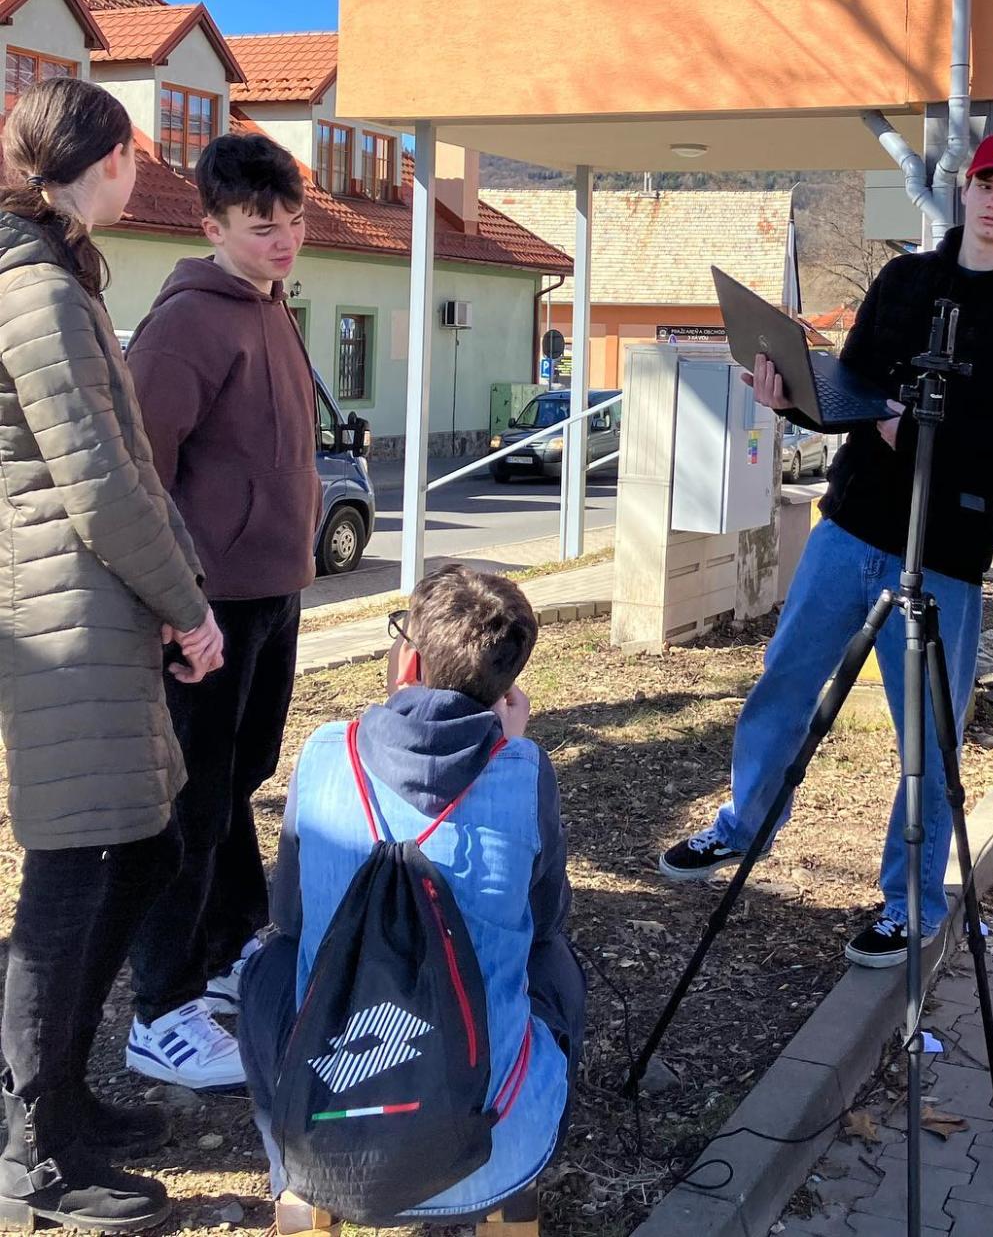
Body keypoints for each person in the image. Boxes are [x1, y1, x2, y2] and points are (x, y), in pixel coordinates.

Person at [661, 132, 993, 966]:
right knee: (784, 680)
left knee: (924, 735)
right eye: (985, 184)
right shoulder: (905, 280)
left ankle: (911, 899)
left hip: (950, 547)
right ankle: (743, 826)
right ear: (963, 191)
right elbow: (850, 388)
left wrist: (921, 431)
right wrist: (792, 400)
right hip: (851, 524)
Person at [0, 79, 223, 1233]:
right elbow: (95, 482)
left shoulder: (59, 271)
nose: (147, 171)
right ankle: (33, 1151)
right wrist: (189, 606)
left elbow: (124, 465)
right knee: (75, 877)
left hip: (97, 610)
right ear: (108, 161)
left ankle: (65, 1101)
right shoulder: (33, 288)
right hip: (64, 619)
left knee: (137, 853)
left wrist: (176, 592)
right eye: (139, 154)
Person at [238, 565, 584, 1227]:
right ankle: (516, 1178)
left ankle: (294, 1177)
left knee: (268, 966)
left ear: (409, 661)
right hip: (490, 1145)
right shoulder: (525, 770)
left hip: (333, 1141)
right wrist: (505, 753)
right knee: (553, 960)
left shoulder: (321, 753)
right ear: (506, 685)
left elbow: (288, 917)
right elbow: (546, 920)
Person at [123, 133, 320, 1092]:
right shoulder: (190, 323)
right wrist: (173, 597)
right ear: (213, 227)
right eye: (260, 226)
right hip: (206, 608)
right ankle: (159, 1003)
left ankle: (234, 942)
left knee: (237, 778)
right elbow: (137, 466)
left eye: (292, 222)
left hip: (271, 591)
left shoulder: (273, 308)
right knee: (189, 803)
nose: (282, 240)